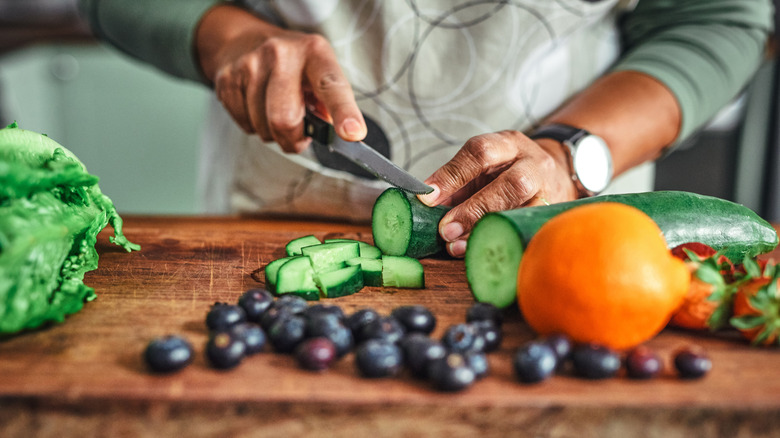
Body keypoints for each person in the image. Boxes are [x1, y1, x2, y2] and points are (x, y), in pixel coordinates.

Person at [78, 0, 773, 257]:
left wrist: (574, 153)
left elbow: (716, 18)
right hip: (271, 201)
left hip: (569, 218)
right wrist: (229, 38)